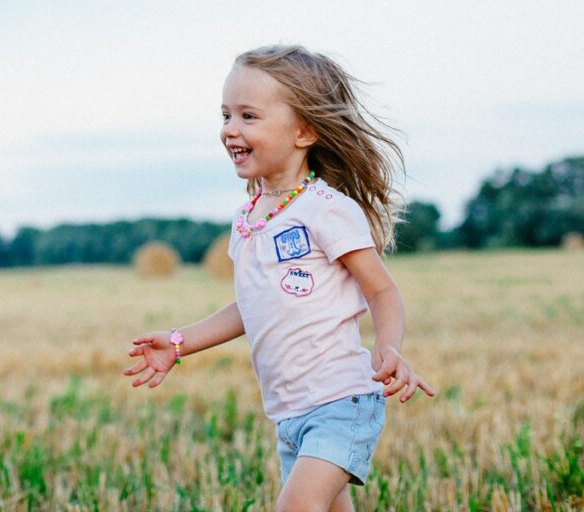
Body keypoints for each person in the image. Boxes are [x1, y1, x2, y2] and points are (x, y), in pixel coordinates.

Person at [123, 44, 435, 512]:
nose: (230, 129)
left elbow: (381, 288)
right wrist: (180, 341)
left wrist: (388, 346)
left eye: (249, 116)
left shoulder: (327, 210)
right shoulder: (248, 218)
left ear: (304, 131)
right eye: (226, 115)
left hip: (340, 402)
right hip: (289, 413)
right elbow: (251, 305)